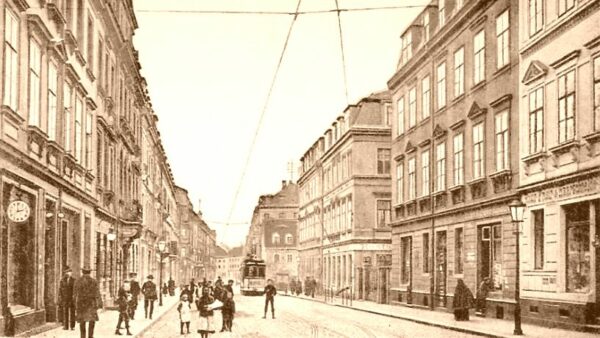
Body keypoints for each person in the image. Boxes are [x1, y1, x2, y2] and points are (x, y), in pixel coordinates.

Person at [73, 265, 102, 338]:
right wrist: (100, 304)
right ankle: (90, 336)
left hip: (81, 304)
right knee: (92, 321)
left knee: (82, 322)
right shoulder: (94, 281)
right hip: (91, 304)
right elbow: (97, 293)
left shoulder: (78, 281)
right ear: (90, 272)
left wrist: (75, 304)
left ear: (82, 272)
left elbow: (74, 294)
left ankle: (82, 336)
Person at [58, 266, 76, 330]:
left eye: (70, 272)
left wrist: (74, 297)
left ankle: (72, 326)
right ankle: (66, 326)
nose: (69, 273)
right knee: (65, 312)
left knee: (72, 312)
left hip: (72, 298)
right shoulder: (62, 280)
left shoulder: (74, 280)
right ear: (65, 273)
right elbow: (60, 290)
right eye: (68, 272)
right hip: (65, 298)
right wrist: (60, 297)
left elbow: (75, 290)